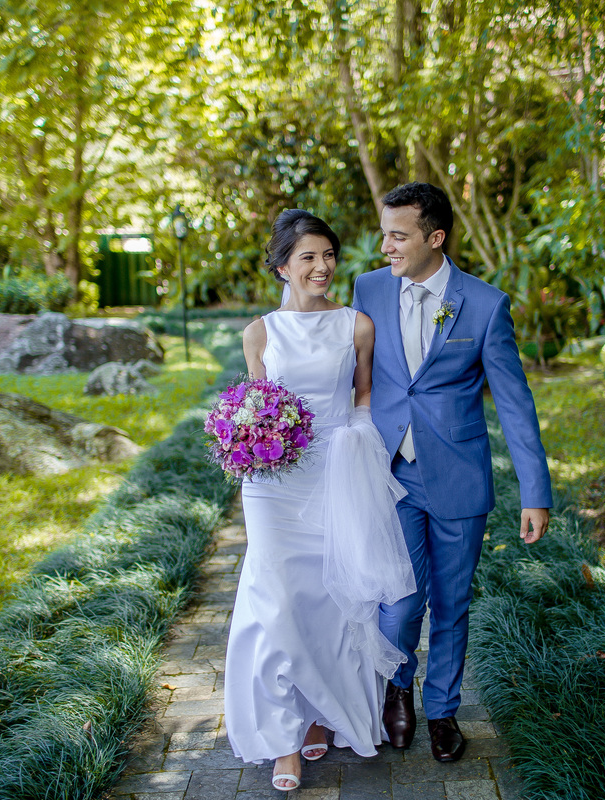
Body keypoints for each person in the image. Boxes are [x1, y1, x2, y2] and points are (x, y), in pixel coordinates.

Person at [352, 182, 553, 763]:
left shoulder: (485, 304)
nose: (385, 245)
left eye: (398, 235)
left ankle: (441, 709)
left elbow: (514, 402)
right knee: (399, 600)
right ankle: (398, 690)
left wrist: (534, 494)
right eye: (384, 232)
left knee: (451, 601)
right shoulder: (366, 289)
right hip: (389, 471)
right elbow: (351, 374)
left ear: (434, 238)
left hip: (459, 476)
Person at [224, 209, 416, 792]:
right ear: (282, 265)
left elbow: (363, 396)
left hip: (335, 471)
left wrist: (356, 452)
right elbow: (256, 404)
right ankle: (283, 738)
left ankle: (319, 711)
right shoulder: (259, 333)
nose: (322, 267)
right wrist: (246, 437)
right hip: (273, 483)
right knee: (277, 598)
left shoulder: (356, 325)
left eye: (328, 255)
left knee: (333, 598)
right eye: (308, 257)